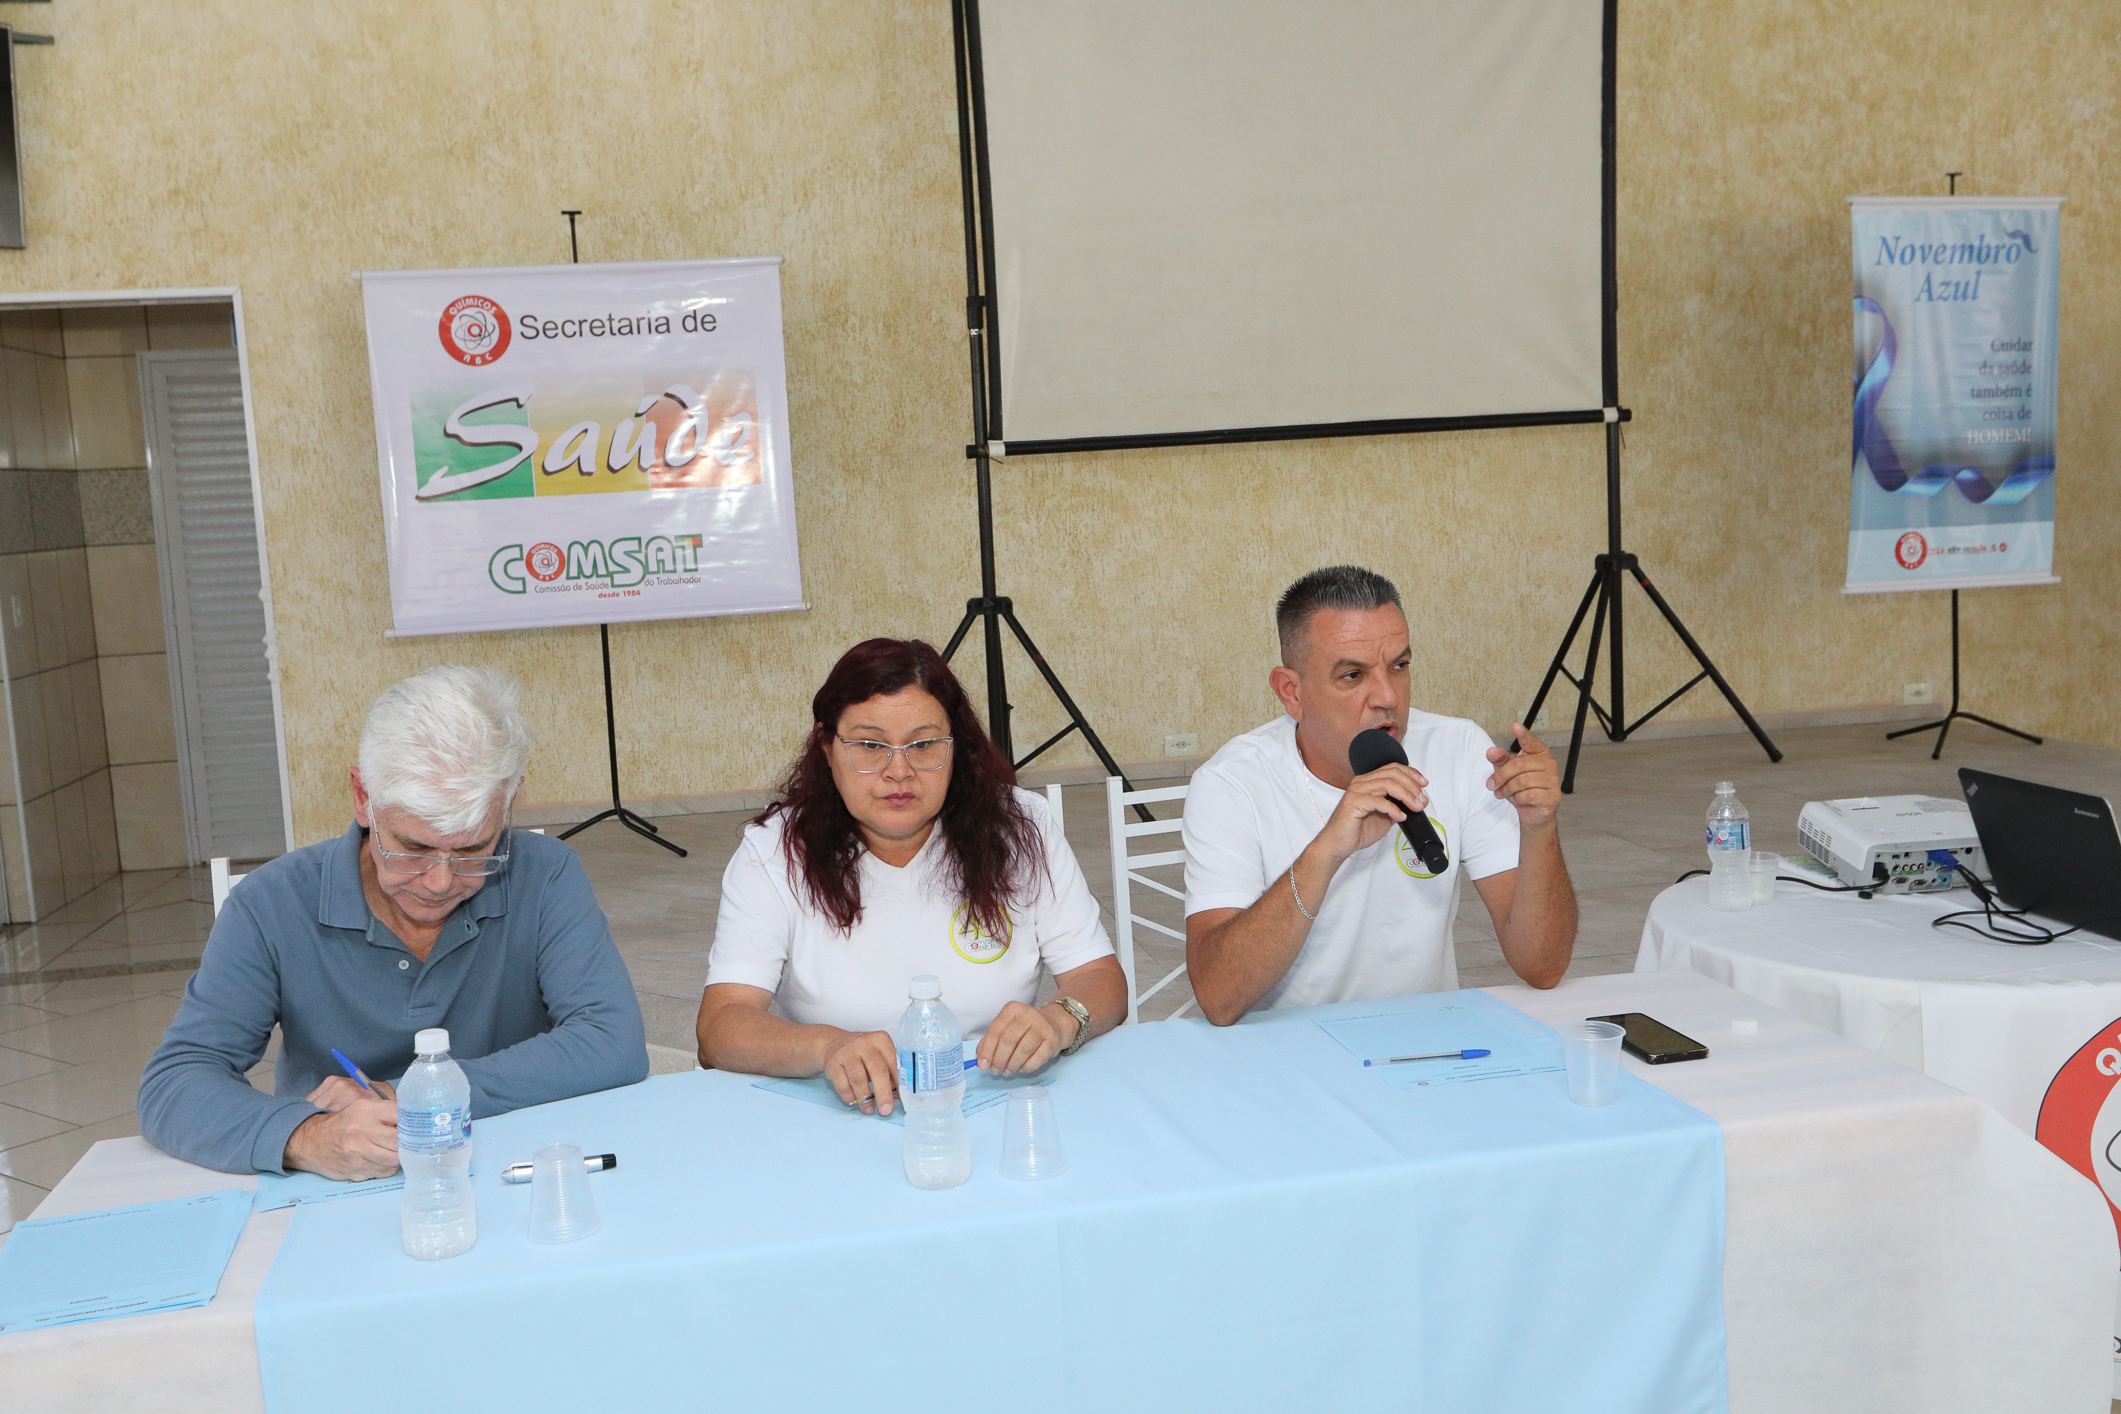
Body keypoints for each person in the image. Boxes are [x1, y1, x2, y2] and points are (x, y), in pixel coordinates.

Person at [138, 666, 648, 1178]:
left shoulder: (546, 873)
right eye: (413, 848)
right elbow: (176, 1082)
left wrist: (407, 1096)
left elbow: (611, 1041)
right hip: (330, 1184)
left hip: (507, 1163)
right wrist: (306, 1136)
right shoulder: (269, 904)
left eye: (474, 850)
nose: (441, 882)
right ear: (364, 800)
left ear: (508, 802)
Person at [697, 638, 1126, 1115]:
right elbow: (721, 1027)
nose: (898, 771)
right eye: (870, 745)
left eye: (923, 745)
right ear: (827, 746)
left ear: (955, 748)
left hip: (991, 1100)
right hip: (837, 1111)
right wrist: (826, 1048)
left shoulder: (1021, 827)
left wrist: (1061, 1019)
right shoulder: (776, 851)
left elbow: (1099, 978)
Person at [1182, 565, 1576, 1025]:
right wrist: (1327, 850)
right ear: (1291, 692)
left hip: (1425, 1045)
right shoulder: (1232, 783)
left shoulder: (1462, 750)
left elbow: (1543, 967)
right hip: (1285, 1056)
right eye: (1352, 676)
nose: (1388, 696)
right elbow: (1219, 997)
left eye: (1399, 666)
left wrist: (1540, 827)